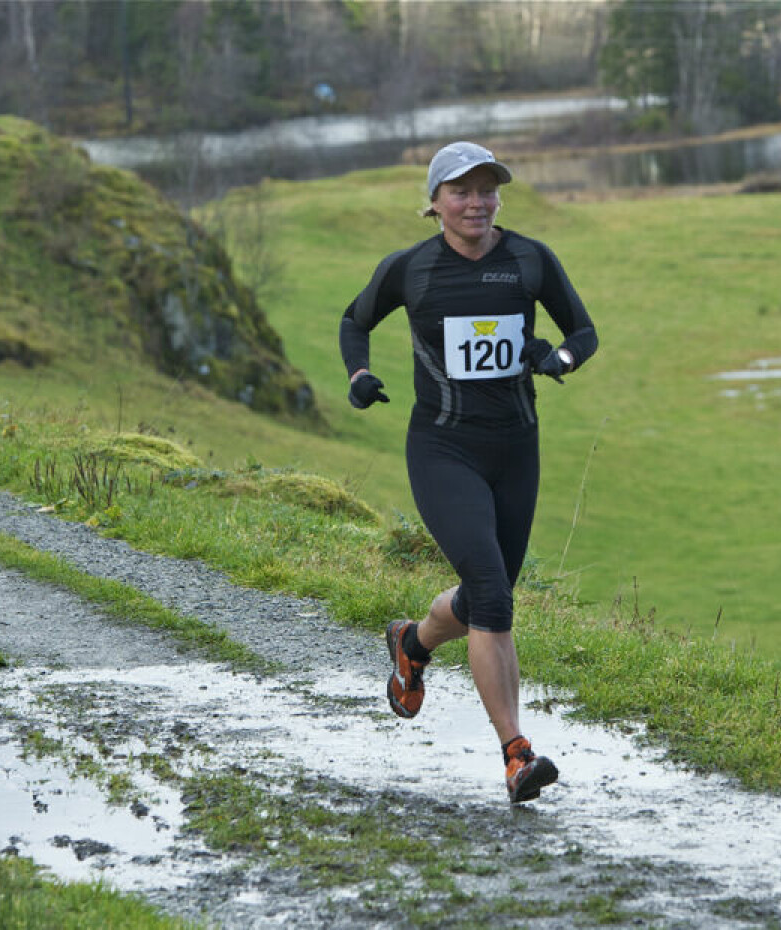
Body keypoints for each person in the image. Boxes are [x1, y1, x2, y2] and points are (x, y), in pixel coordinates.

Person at [339, 141, 598, 803]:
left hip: (516, 448)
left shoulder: (530, 260)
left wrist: (559, 361)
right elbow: (354, 320)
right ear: (435, 203)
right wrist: (360, 374)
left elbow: (583, 334)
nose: (476, 203)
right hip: (443, 449)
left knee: (492, 592)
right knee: (491, 594)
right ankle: (516, 754)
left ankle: (413, 643)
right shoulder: (411, 269)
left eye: (487, 190)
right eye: (461, 192)